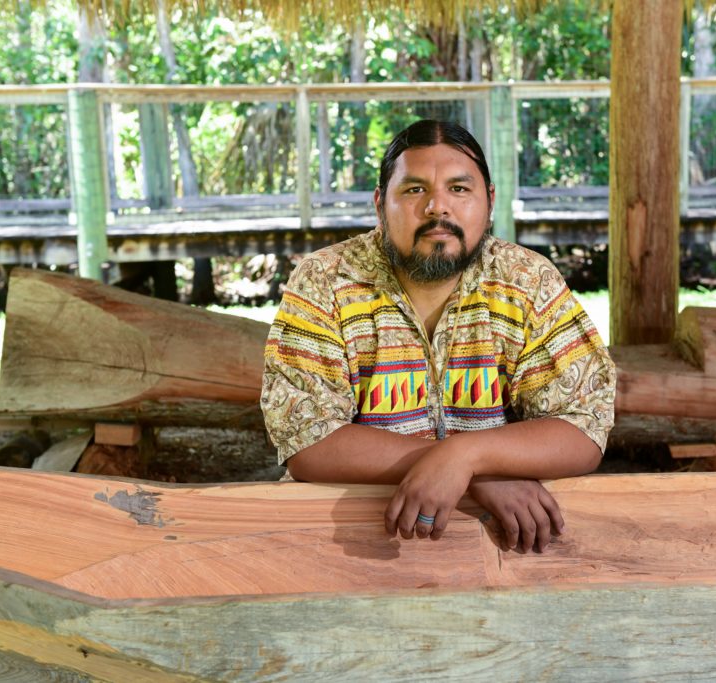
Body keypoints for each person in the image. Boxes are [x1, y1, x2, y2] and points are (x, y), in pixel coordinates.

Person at [261, 120, 615, 553]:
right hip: (342, 539)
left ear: (490, 201)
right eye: (414, 191)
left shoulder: (527, 281)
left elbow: (584, 427)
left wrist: (466, 459)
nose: (437, 207)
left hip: (499, 545)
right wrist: (468, 472)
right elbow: (308, 440)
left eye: (459, 190)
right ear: (379, 204)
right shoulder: (326, 281)